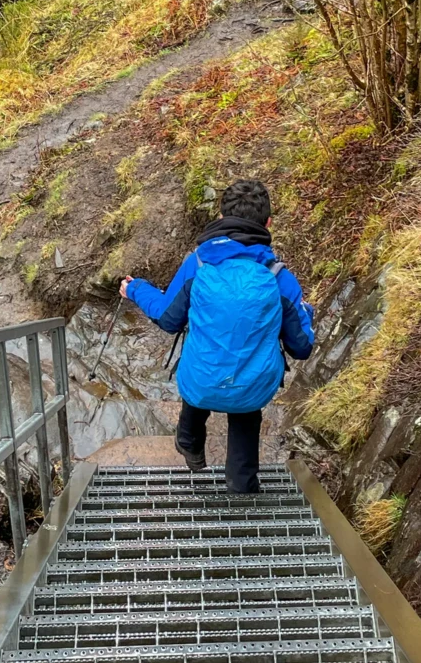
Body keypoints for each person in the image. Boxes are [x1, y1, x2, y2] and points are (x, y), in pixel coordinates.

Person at [120, 178, 314, 493]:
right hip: (251, 390)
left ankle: (189, 441)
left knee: (203, 375)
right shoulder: (280, 278)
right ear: (268, 223)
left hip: (199, 382)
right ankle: (241, 485)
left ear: (221, 218)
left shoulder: (197, 264)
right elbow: (301, 347)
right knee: (245, 402)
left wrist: (136, 289)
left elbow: (168, 319)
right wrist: (307, 313)